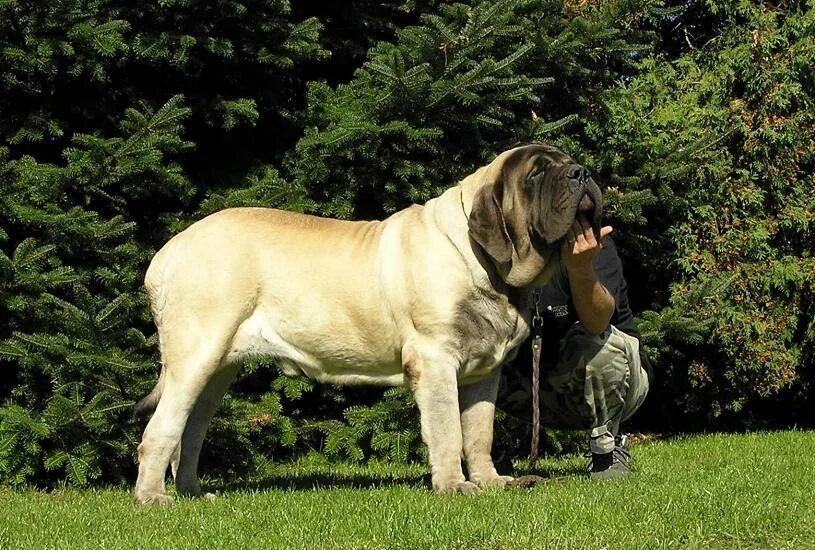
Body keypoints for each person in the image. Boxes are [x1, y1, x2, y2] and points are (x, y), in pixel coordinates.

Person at [499, 215, 653, 479]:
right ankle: (483, 457)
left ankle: (608, 447)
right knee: (453, 351)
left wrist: (580, 268)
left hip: (616, 381)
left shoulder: (589, 243)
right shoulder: (501, 250)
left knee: (597, 345)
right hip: (532, 388)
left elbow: (598, 321)